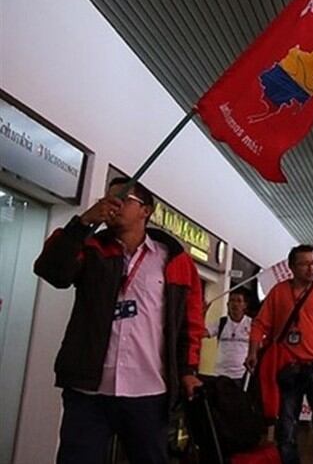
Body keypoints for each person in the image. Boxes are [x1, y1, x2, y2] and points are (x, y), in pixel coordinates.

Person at [33, 177, 204, 464]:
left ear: (146, 211)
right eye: (108, 197)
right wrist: (84, 222)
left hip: (149, 391)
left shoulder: (174, 260)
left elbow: (191, 321)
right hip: (88, 390)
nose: (113, 203)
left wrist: (188, 370)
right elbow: (51, 271)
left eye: (124, 198)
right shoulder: (91, 248)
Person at [244, 244, 313, 464]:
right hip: (288, 369)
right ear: (292, 267)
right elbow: (260, 324)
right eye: (305, 264)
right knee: (286, 433)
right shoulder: (279, 292)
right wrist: (252, 352)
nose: (311, 268)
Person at [206, 289, 252, 381]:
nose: (235, 304)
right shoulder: (221, 322)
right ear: (227, 304)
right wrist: (202, 314)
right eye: (232, 300)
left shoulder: (251, 324)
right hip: (220, 374)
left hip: (242, 375)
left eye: (239, 301)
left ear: (245, 305)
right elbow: (201, 333)